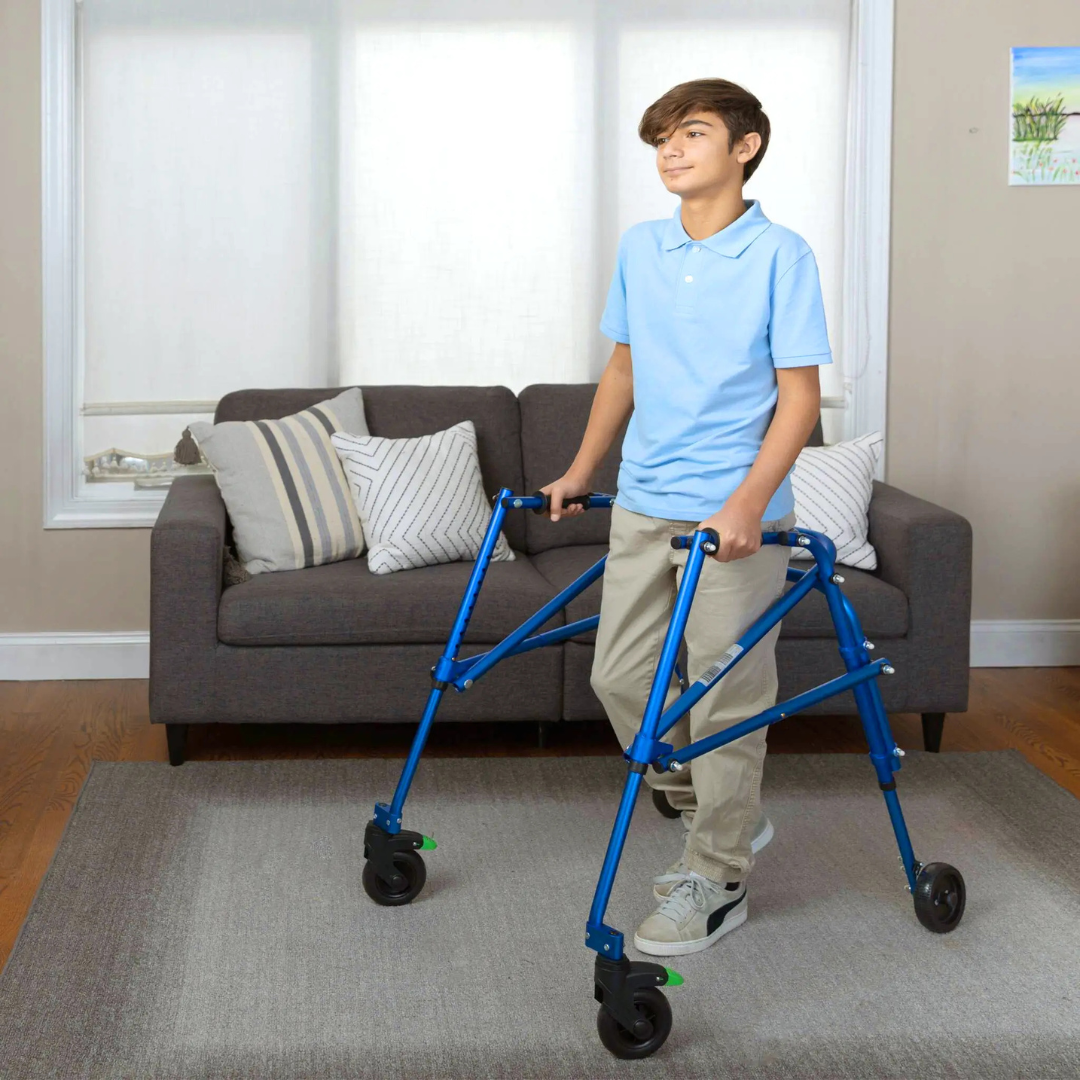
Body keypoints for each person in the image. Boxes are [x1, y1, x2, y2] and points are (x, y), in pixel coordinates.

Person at [541, 78, 833, 956]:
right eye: (662, 137)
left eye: (692, 133)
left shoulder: (782, 255)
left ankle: (719, 874)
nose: (671, 149)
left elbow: (799, 398)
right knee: (618, 678)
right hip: (643, 501)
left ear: (744, 148)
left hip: (734, 520)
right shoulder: (643, 248)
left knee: (726, 695)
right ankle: (717, 805)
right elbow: (623, 371)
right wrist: (581, 468)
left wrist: (749, 501)